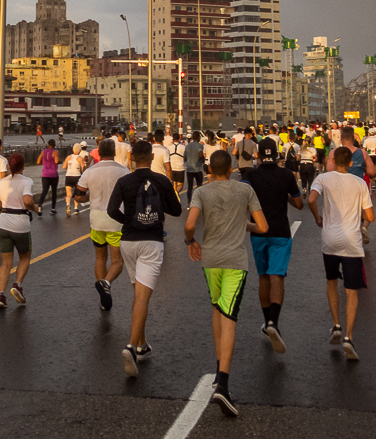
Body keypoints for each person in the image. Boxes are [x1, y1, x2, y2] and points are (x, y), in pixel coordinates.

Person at [186, 149, 268, 417]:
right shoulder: (245, 190)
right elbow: (263, 227)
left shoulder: (201, 192)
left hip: (210, 259)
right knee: (230, 316)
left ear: (209, 169)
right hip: (235, 260)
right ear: (232, 167)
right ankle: (223, 383)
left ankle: (219, 365)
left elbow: (189, 225)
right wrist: (244, 226)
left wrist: (191, 241)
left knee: (217, 308)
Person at [107, 138, 182, 376]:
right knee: (142, 297)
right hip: (151, 242)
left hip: (127, 242)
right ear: (151, 157)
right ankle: (131, 346)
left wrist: (128, 220)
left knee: (139, 295)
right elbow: (177, 210)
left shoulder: (123, 181)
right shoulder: (161, 180)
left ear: (131, 158)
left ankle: (141, 344)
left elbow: (111, 210)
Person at [308, 147, 375, 361]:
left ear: (334, 160)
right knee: (351, 290)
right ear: (352, 162)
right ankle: (348, 336)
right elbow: (370, 215)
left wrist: (318, 217)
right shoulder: (359, 183)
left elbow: (310, 199)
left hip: (329, 239)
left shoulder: (324, 178)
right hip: (351, 243)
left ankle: (336, 325)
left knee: (331, 282)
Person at [243, 139, 303, 353]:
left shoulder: (250, 176)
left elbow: (242, 196)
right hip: (281, 232)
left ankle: (266, 319)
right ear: (277, 155)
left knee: (263, 276)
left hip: (259, 232)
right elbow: (299, 203)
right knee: (277, 275)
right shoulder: (286, 175)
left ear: (257, 155)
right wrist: (284, 194)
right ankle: (273, 323)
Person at [77, 138, 130, 309]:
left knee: (100, 257)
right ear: (114, 152)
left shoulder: (89, 172)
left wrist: (88, 198)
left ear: (98, 152)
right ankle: (106, 282)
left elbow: (79, 195)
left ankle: (103, 297)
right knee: (118, 261)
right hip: (116, 221)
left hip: (96, 220)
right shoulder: (124, 172)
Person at [0, 152, 41, 307]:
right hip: (20, 223)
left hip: (3, 223)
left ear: (9, 166)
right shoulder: (27, 181)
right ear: (23, 167)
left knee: (5, 263)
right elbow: (28, 201)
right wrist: (35, 208)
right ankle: (18, 285)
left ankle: (1, 296)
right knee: (25, 257)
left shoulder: (2, 182)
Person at [36, 138, 61, 215]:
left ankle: (39, 206)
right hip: (53, 174)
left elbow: (38, 162)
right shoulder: (56, 152)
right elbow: (56, 161)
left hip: (45, 174)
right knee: (54, 191)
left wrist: (45, 164)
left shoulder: (43, 152)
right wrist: (60, 161)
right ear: (54, 145)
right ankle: (53, 209)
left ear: (48, 145)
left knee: (44, 191)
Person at [63, 143, 86, 217]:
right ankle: (76, 208)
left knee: (68, 194)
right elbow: (83, 168)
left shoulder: (68, 157)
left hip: (68, 176)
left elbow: (64, 166)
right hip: (77, 176)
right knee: (76, 193)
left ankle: (68, 204)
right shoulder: (80, 158)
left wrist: (69, 168)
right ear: (79, 150)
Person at [183, 131, 205, 201]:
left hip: (189, 169)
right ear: (199, 137)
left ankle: (189, 202)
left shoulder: (188, 146)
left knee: (190, 187)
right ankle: (199, 201)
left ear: (192, 137)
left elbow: (185, 158)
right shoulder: (200, 145)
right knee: (199, 186)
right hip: (197, 168)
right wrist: (202, 159)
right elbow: (200, 154)